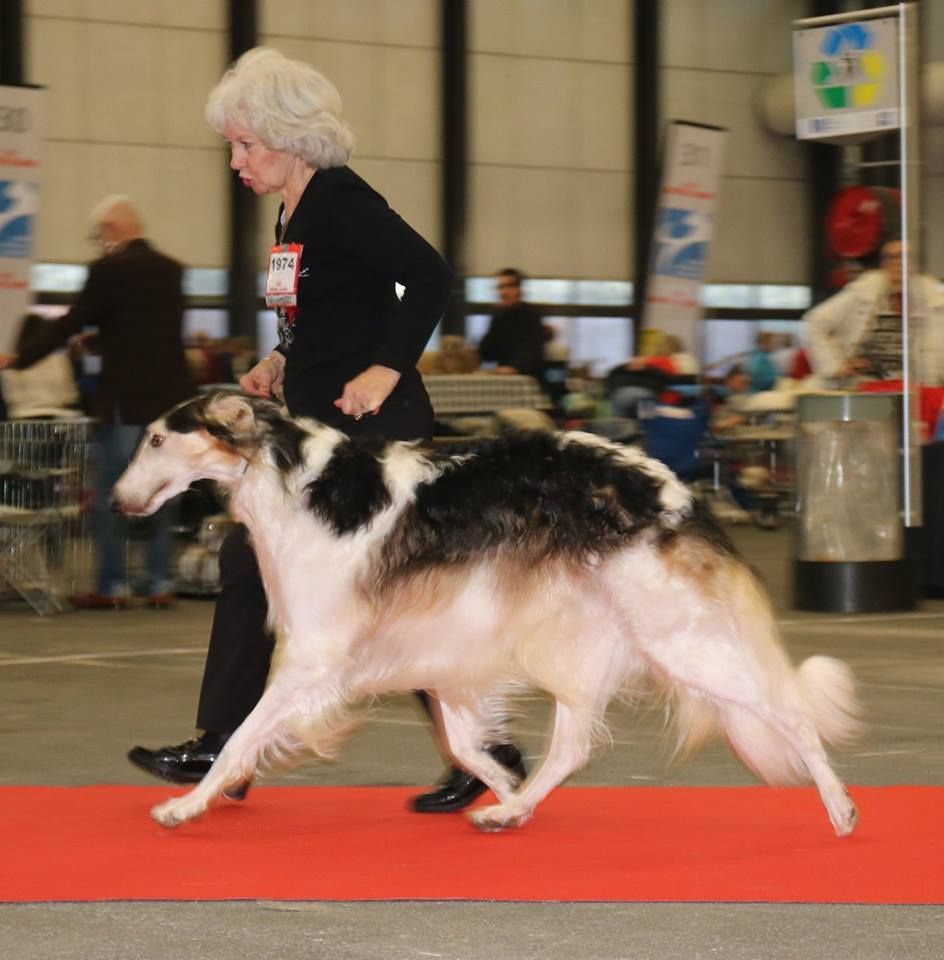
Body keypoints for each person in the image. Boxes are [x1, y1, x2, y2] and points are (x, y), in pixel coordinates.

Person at [126, 47, 525, 813]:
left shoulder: (342, 200)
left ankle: (232, 747)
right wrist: (280, 357)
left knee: (388, 596)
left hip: (372, 428)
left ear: (288, 135)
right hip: (314, 426)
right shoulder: (294, 210)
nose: (235, 161)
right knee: (270, 569)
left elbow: (430, 274)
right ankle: (226, 746)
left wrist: (384, 369)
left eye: (244, 144)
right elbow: (326, 309)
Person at [0, 195, 196, 608]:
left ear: (111, 231)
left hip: (125, 401)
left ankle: (113, 586)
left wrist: (21, 357)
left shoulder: (107, 270)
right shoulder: (172, 271)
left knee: (113, 492)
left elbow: (71, 321)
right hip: (171, 404)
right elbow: (150, 335)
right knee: (164, 488)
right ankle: (160, 583)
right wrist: (102, 341)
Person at [804, 239, 944, 386]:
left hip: (916, 391)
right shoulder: (862, 291)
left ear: (915, 263)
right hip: (866, 388)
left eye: (904, 256)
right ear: (883, 263)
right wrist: (836, 365)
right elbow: (814, 322)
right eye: (891, 257)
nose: (898, 262)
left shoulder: (934, 300)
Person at [478, 268, 549, 383]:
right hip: (503, 378)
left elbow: (532, 347)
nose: (503, 293)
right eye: (500, 287)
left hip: (529, 379)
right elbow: (488, 349)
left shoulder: (531, 315)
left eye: (508, 286)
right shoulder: (498, 316)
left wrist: (516, 367)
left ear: (519, 290)